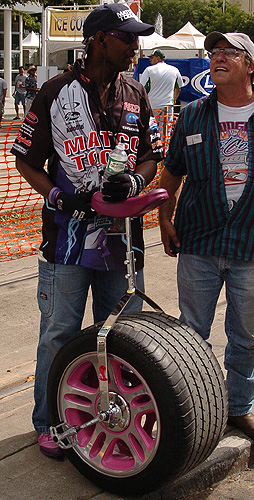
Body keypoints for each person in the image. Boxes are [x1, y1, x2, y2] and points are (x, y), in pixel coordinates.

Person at [11, 3, 161, 459]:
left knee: (125, 333)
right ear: (99, 40)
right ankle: (48, 422)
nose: (136, 46)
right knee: (60, 333)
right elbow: (24, 160)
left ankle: (111, 417)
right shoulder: (54, 92)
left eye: (137, 38)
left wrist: (137, 179)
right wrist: (59, 196)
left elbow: (152, 156)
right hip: (67, 242)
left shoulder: (137, 92)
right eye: (127, 37)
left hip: (123, 246)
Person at [159, 31, 254, 443]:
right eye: (214, 52)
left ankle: (239, 408)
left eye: (229, 53)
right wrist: (164, 218)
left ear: (251, 64)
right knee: (191, 336)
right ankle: (192, 412)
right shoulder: (191, 115)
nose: (217, 58)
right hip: (199, 246)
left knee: (245, 339)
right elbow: (171, 173)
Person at [140, 49, 183, 131]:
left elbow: (141, 88)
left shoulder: (149, 70)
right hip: (167, 106)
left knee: (151, 132)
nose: (150, 60)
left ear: (158, 58)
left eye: (152, 57)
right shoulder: (174, 70)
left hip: (153, 106)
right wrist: (174, 100)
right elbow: (178, 88)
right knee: (165, 133)